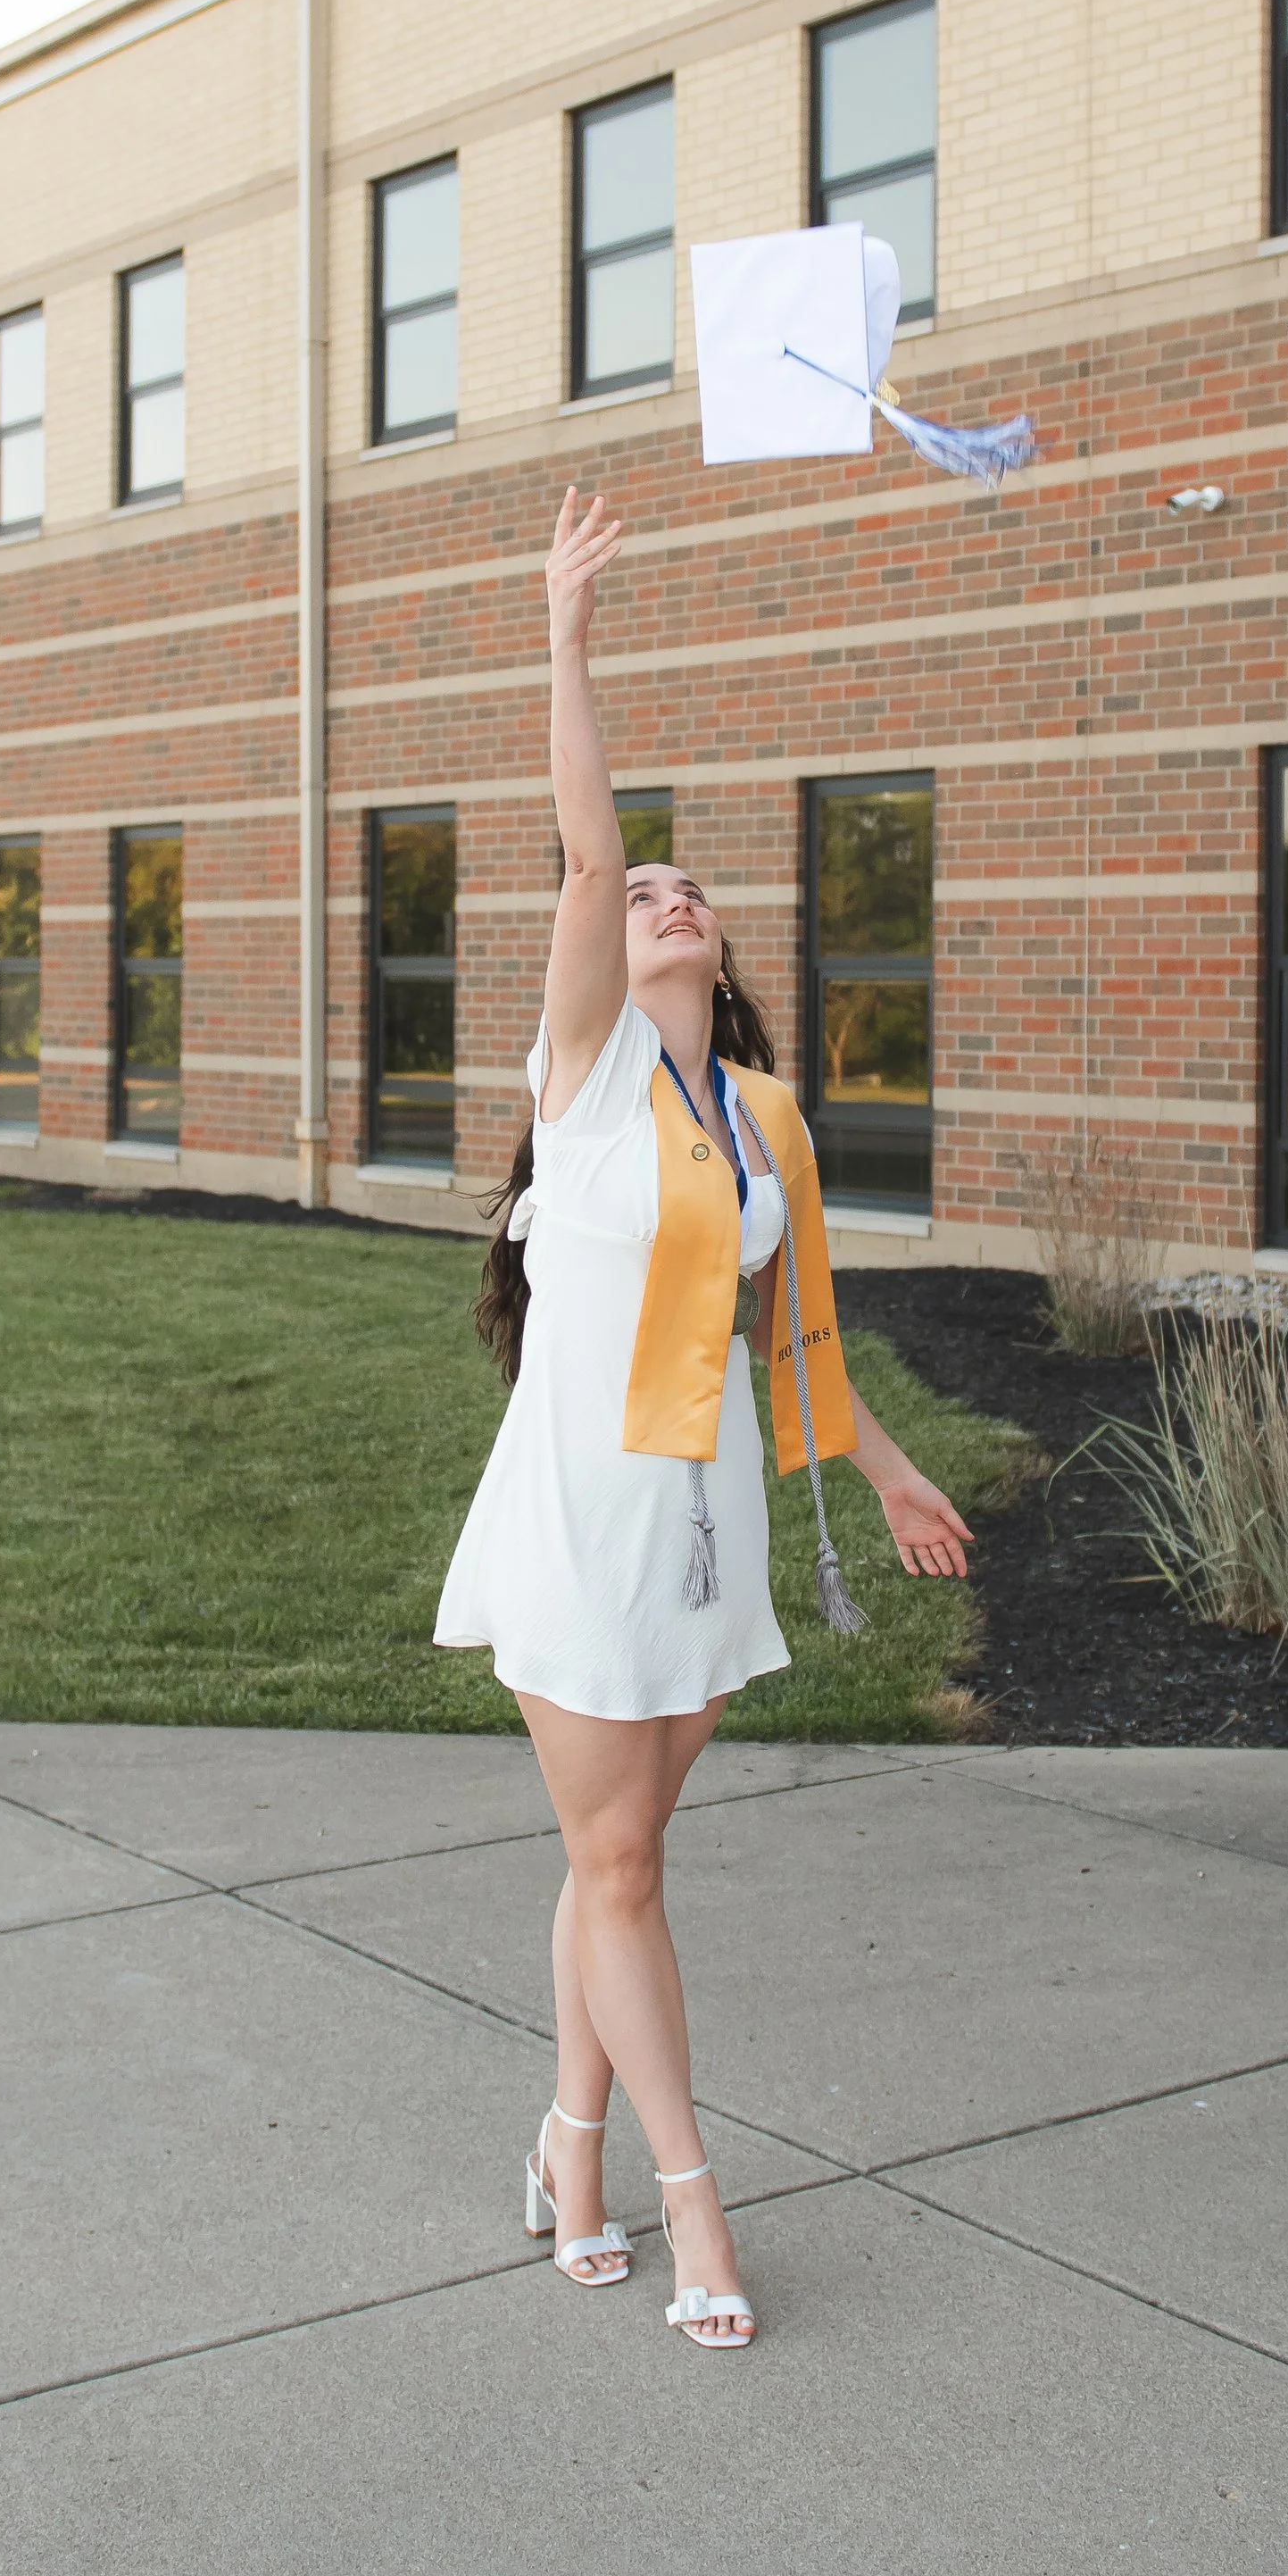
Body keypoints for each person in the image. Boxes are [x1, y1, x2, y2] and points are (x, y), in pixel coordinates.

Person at [435, 485, 973, 2350]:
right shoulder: (579, 1083)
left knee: (616, 1871)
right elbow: (585, 859)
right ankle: (691, 2205)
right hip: (581, 1508)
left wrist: (891, 1476)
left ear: (719, 956)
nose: (662, 894)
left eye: (687, 890)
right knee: (624, 1865)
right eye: (644, 890)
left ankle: (560, 2144)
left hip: (709, 1516)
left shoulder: (764, 1123)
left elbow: (798, 1336)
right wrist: (565, 634)